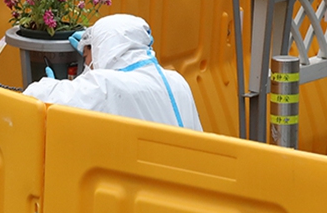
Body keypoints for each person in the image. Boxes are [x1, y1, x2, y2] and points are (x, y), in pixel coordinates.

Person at [23, 13, 203, 131]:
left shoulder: (106, 85)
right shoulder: (178, 82)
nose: (85, 64)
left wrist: (50, 83)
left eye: (86, 56)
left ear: (101, 49)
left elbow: (36, 97)